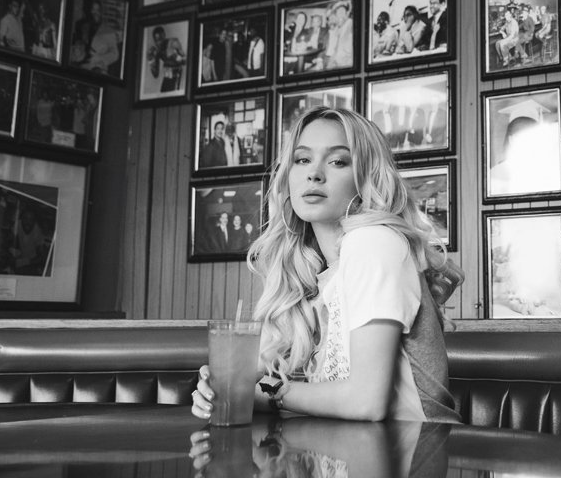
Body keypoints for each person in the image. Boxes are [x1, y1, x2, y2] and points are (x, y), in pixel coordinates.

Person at [190, 107, 463, 422]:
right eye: (302, 159)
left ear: (367, 178)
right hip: (348, 447)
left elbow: (366, 402)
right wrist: (220, 388)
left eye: (338, 161)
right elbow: (264, 380)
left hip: (416, 446)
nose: (314, 174)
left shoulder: (373, 243)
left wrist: (263, 394)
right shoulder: (312, 272)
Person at [70, 0, 122, 76]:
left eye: (97, 10)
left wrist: (98, 58)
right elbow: (75, 44)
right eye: (92, 9)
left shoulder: (108, 31)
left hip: (98, 70)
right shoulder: (80, 25)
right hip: (78, 68)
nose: (94, 13)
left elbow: (115, 54)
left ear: (101, 12)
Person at [147, 25, 186, 93]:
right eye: (156, 40)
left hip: (177, 76)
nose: (159, 43)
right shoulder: (157, 51)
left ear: (164, 36)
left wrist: (175, 56)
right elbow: (155, 74)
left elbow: (185, 61)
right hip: (167, 78)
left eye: (160, 39)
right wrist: (151, 60)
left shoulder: (173, 43)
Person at [324, 3, 353, 69]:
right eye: (338, 13)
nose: (340, 15)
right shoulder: (339, 28)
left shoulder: (351, 24)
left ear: (347, 13)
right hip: (336, 62)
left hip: (347, 63)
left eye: (342, 12)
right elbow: (335, 50)